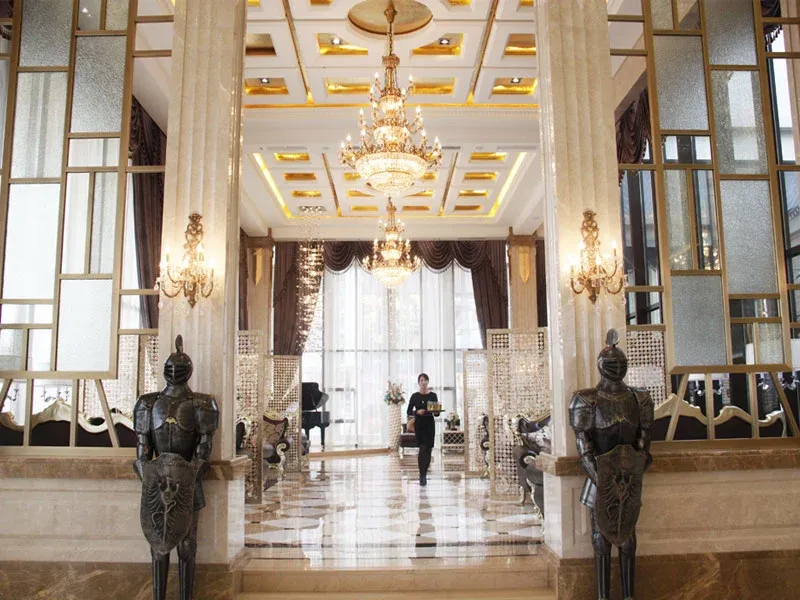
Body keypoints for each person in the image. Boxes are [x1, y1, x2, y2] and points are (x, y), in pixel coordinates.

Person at [407, 373, 440, 486]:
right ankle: (422, 475)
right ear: (419, 383)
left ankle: (424, 473)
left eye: (425, 380)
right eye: (421, 380)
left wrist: (436, 411)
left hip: (430, 424)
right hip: (419, 425)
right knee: (422, 449)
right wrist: (417, 412)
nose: (423, 382)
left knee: (428, 450)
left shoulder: (433, 396)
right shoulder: (415, 396)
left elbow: (436, 414)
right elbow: (408, 411)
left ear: (428, 382)